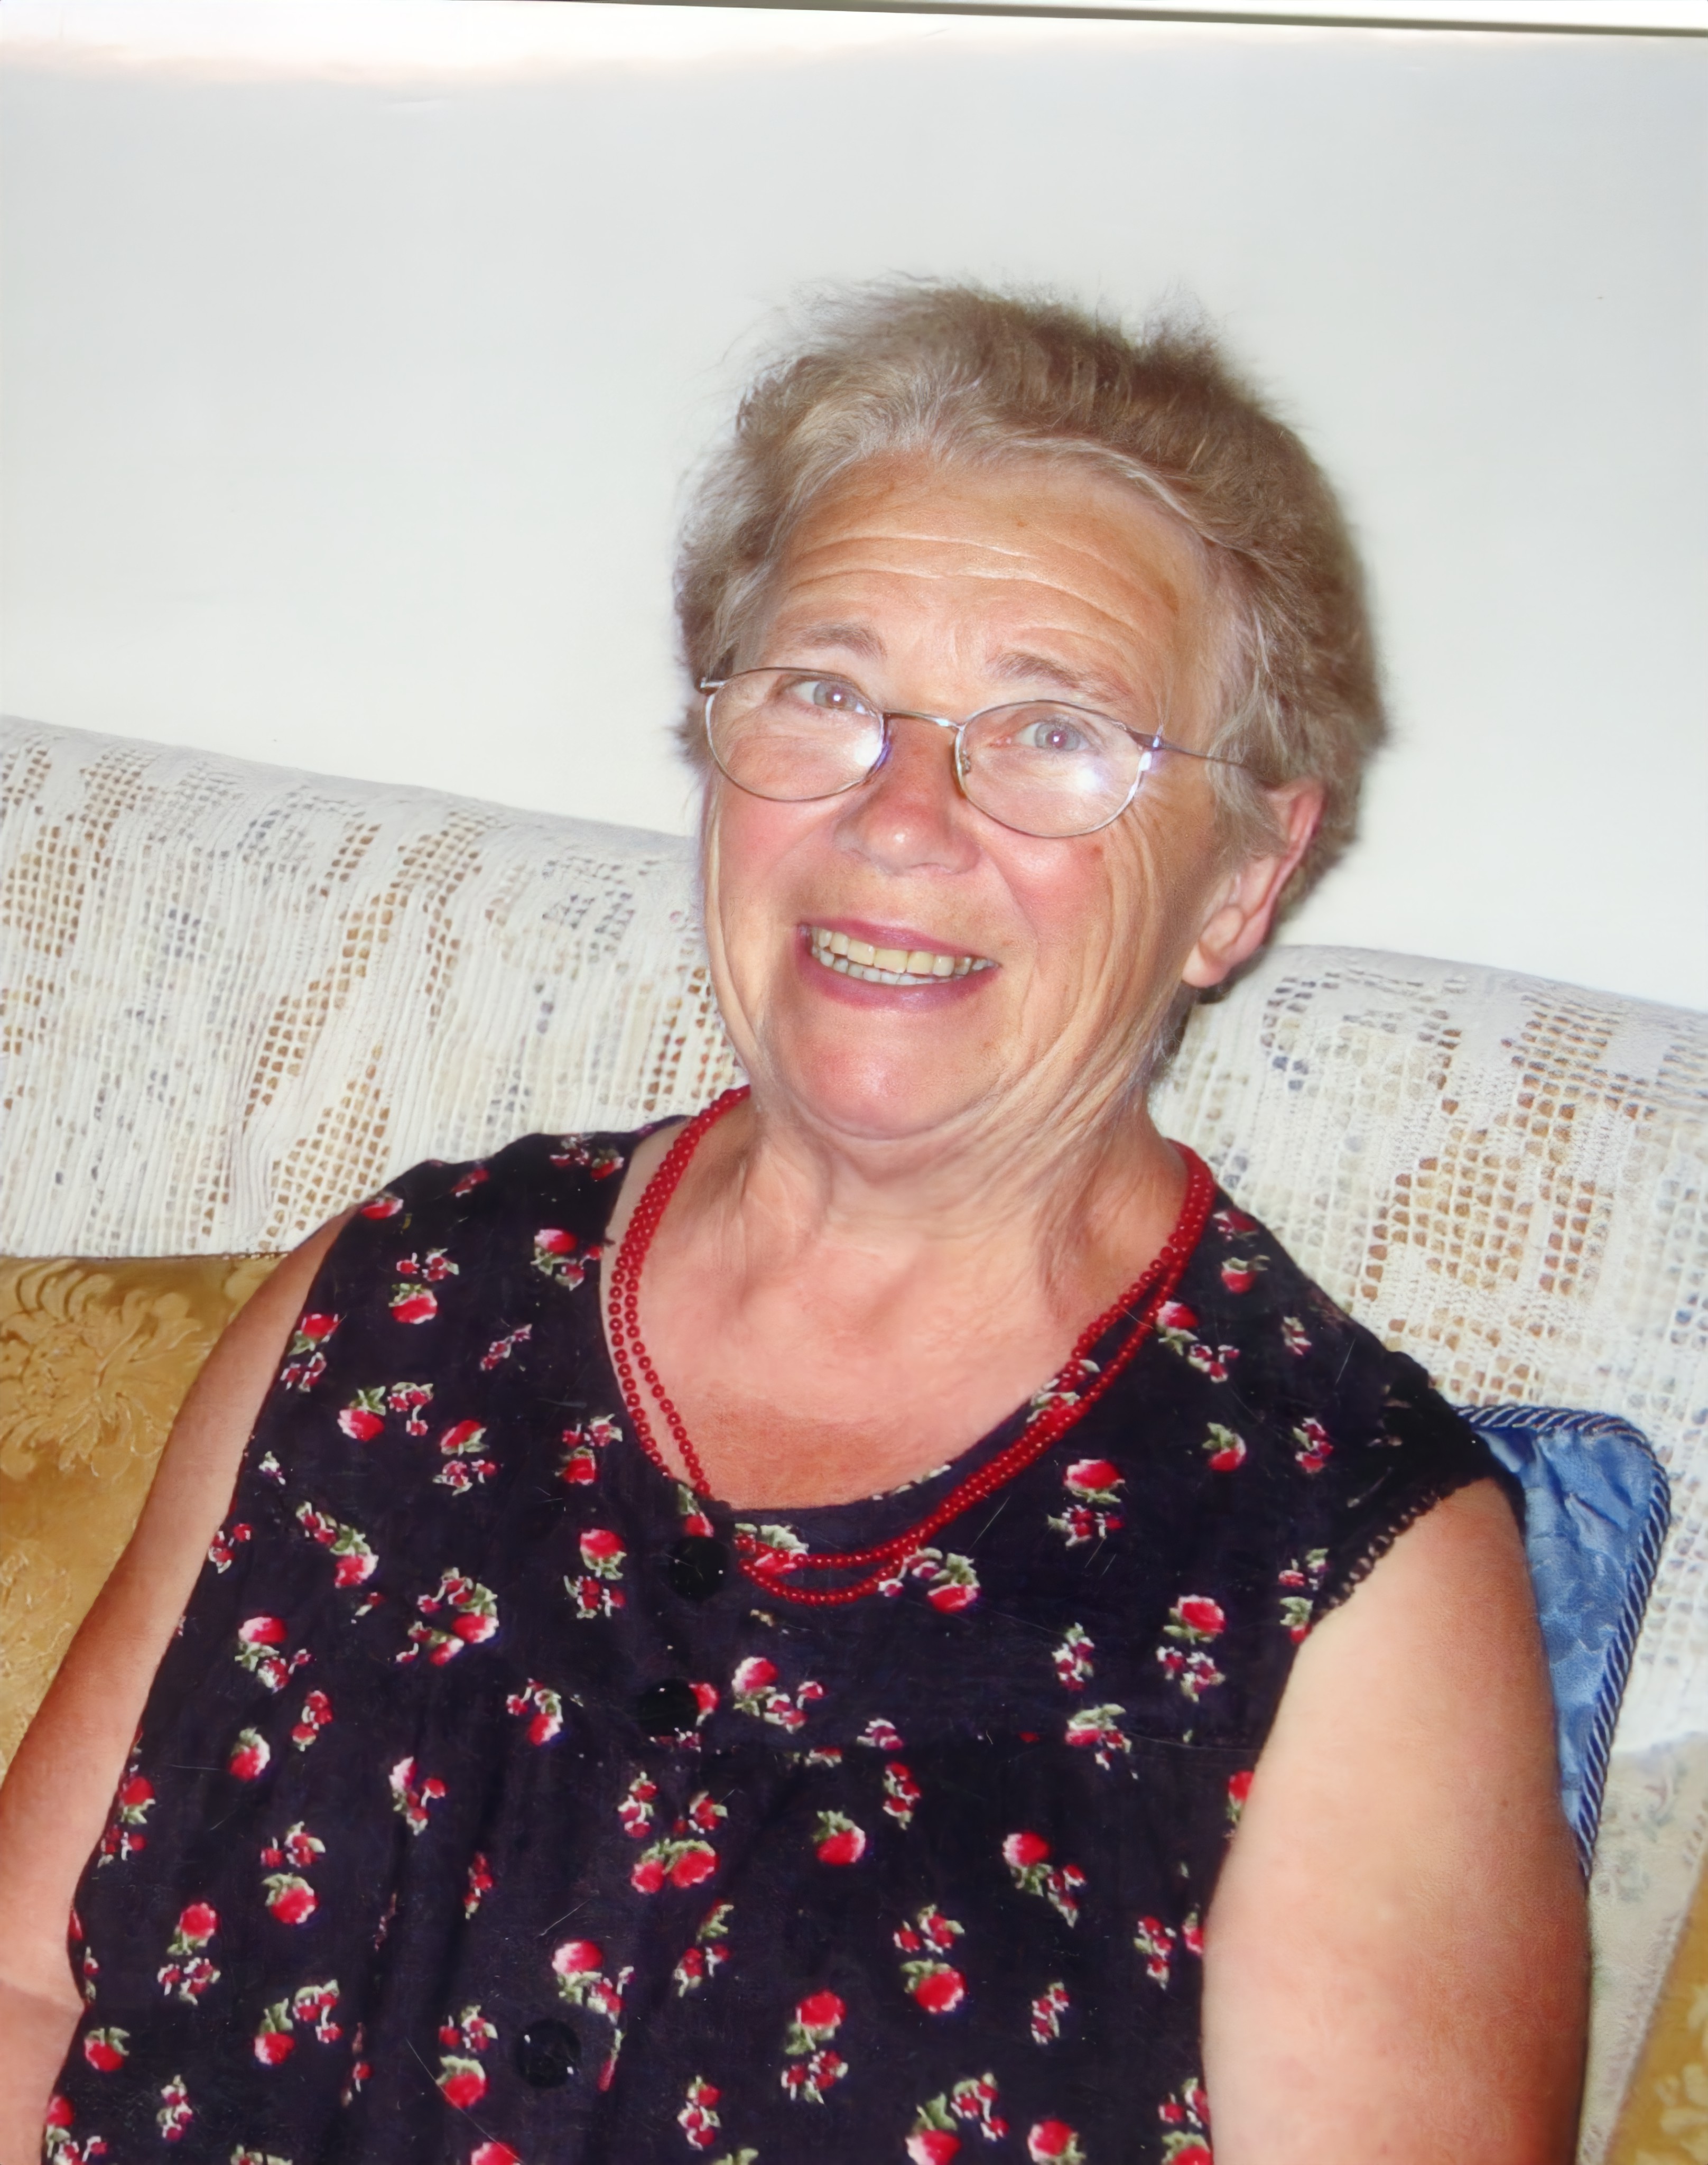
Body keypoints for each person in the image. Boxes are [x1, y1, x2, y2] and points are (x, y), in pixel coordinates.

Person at [0, 284, 1585, 2165]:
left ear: (1244, 878)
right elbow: (28, 1990)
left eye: (1054, 732)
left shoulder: (1343, 1561)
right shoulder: (400, 1301)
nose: (902, 816)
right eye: (827, 694)